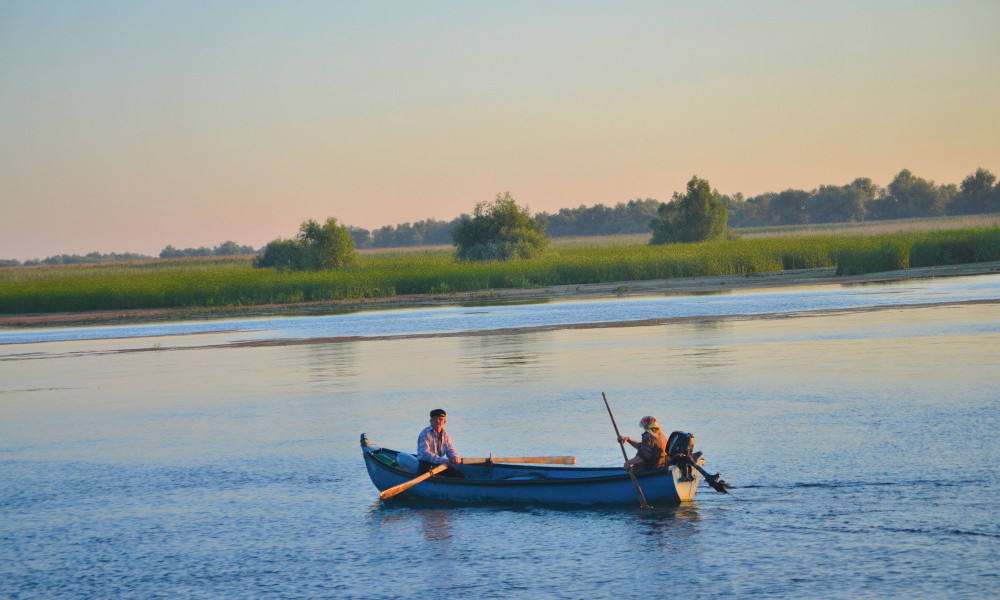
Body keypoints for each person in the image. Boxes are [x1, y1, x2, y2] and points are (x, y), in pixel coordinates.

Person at [416, 408, 466, 478]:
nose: (438, 421)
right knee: (438, 477)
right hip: (425, 466)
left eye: (440, 419)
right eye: (435, 419)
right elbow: (425, 454)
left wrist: (455, 457)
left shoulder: (445, 434)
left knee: (460, 476)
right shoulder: (425, 433)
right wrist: (443, 461)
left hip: (439, 465)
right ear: (431, 421)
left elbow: (450, 449)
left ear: (444, 422)